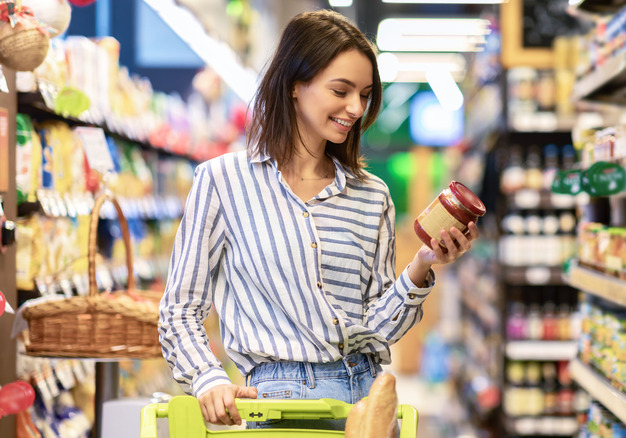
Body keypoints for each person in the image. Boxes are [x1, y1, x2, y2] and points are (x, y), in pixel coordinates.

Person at [158, 9, 479, 430]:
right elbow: (179, 310)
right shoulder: (222, 181)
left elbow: (376, 329)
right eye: (341, 90)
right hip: (279, 407)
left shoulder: (373, 196)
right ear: (295, 85)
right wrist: (207, 377)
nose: (355, 107)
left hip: (367, 403)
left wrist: (422, 265)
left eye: (364, 94)